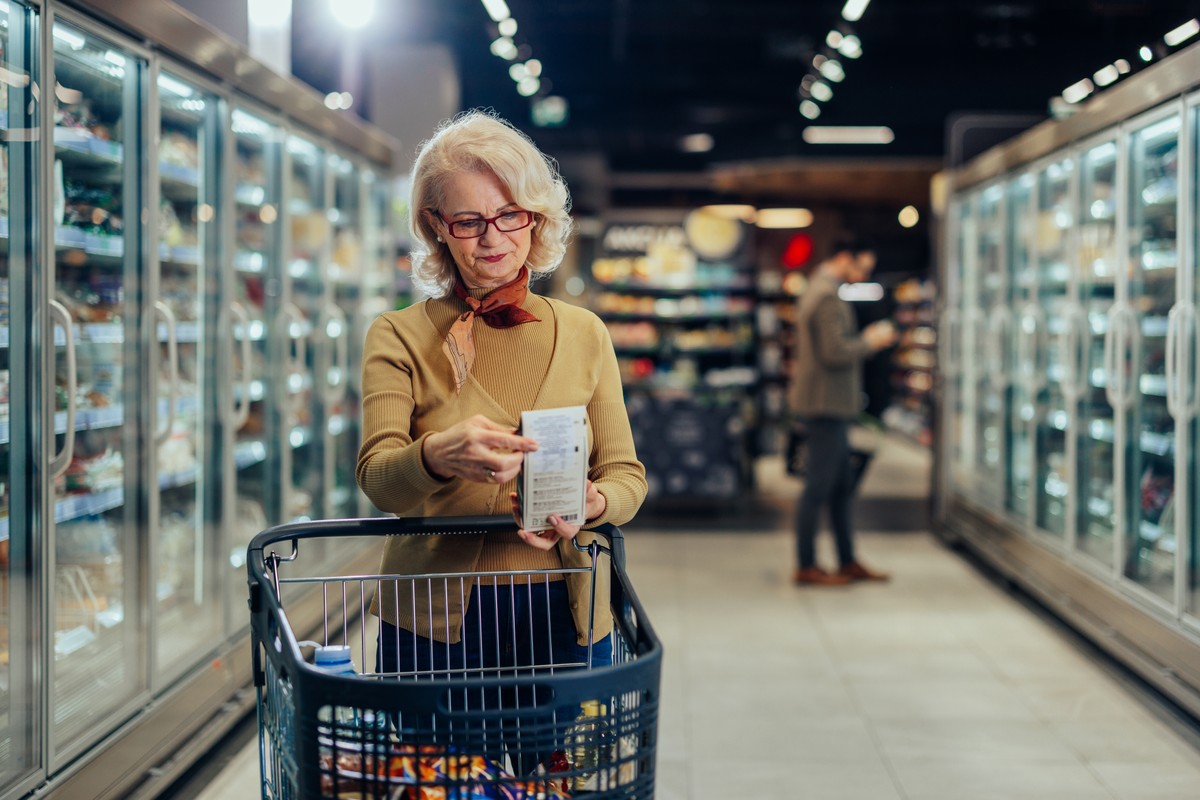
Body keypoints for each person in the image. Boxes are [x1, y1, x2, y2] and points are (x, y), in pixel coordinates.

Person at [356, 110, 647, 682]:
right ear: (436, 224)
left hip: (565, 609)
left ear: (536, 219)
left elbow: (626, 477)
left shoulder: (584, 333)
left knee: (555, 772)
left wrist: (593, 504)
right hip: (433, 620)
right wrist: (436, 455)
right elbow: (379, 481)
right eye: (468, 220)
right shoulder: (399, 335)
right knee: (446, 774)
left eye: (510, 214)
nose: (493, 237)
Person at [788, 241, 897, 586]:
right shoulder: (825, 295)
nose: (862, 275)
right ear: (843, 259)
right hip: (826, 404)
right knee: (818, 487)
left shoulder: (820, 290)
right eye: (861, 267)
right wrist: (871, 341)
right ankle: (807, 565)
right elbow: (834, 352)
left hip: (828, 403)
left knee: (840, 486)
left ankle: (847, 558)